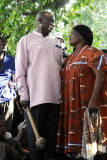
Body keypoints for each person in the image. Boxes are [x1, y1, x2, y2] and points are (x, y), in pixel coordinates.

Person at [15, 11, 63, 160]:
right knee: (36, 142)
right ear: (40, 20)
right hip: (35, 98)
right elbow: (20, 70)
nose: (53, 24)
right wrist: (23, 93)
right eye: (51, 21)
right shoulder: (26, 40)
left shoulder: (57, 41)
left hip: (55, 98)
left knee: (52, 142)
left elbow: (60, 67)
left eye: (54, 21)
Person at [57, 25, 107, 159]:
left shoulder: (93, 53)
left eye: (72, 33)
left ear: (82, 36)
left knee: (93, 145)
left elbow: (100, 77)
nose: (69, 36)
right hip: (71, 105)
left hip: (87, 101)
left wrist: (93, 100)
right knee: (78, 148)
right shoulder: (69, 58)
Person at [0, 34, 16, 133]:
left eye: (6, 40)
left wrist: (14, 84)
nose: (4, 43)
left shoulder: (11, 60)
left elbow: (16, 78)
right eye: (1, 40)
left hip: (7, 98)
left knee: (6, 130)